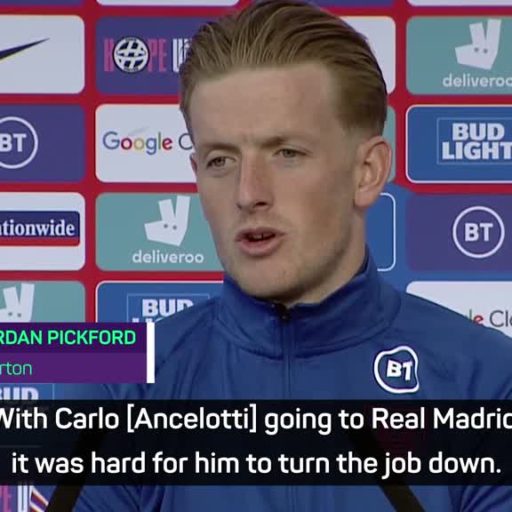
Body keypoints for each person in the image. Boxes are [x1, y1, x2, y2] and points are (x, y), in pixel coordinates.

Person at [55, 1, 512, 510]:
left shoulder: (487, 381)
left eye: (286, 154)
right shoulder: (118, 390)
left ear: (367, 172)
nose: (248, 193)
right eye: (220, 160)